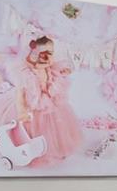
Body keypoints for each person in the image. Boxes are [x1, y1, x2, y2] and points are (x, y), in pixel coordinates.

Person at [13, 34, 83, 163]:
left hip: (50, 101)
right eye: (41, 53)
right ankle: (32, 149)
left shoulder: (52, 68)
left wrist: (63, 72)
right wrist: (21, 110)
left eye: (50, 53)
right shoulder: (25, 73)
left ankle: (57, 147)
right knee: (36, 128)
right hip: (33, 105)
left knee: (56, 125)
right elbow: (20, 94)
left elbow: (56, 75)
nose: (46, 57)